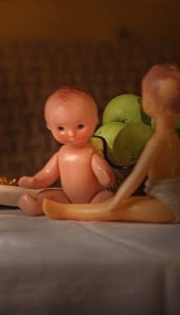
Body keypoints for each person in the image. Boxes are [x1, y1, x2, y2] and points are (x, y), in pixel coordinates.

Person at [45, 63, 180, 223]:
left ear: (151, 104)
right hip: (160, 198)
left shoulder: (158, 141)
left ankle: (66, 211)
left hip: (169, 206)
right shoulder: (172, 137)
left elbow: (136, 177)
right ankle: (66, 209)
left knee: (118, 211)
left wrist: (116, 202)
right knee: (127, 205)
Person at [16, 87, 115, 216]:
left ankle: (95, 210)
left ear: (95, 121)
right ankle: (35, 205)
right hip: (67, 199)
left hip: (94, 199)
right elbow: (48, 174)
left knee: (107, 197)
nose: (71, 134)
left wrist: (106, 176)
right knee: (47, 195)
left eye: (80, 126)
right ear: (49, 127)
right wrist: (35, 181)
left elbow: (107, 178)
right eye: (61, 128)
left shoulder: (91, 153)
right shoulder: (61, 154)